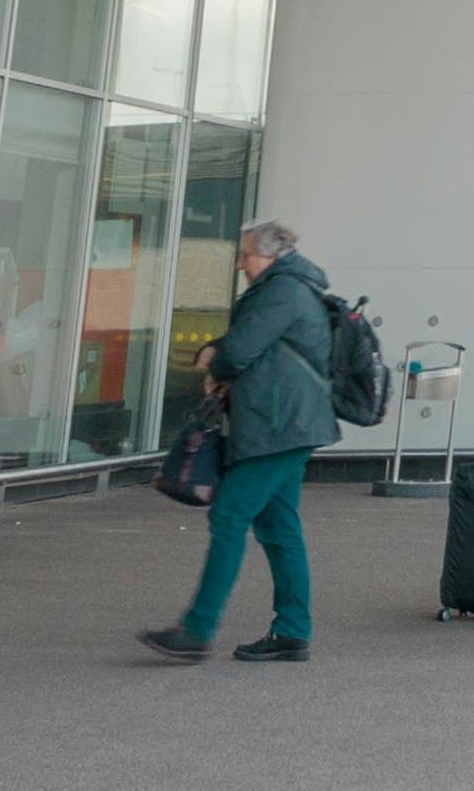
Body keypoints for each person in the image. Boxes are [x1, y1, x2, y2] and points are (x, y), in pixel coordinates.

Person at [141, 219, 331, 663]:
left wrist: (215, 358)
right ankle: (292, 631)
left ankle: (197, 629)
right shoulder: (288, 287)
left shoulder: (282, 290)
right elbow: (249, 345)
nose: (241, 264)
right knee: (278, 527)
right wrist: (218, 352)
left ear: (270, 255)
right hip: (290, 425)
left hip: (279, 427)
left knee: (228, 516)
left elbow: (241, 350)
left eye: (246, 255)